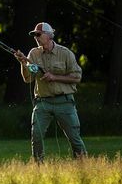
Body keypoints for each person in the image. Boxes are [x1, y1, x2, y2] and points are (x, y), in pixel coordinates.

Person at [13, 22, 87, 162]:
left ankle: (84, 166)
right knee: (36, 135)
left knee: (74, 138)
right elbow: (28, 79)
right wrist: (23, 63)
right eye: (34, 35)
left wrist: (55, 77)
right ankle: (39, 168)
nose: (36, 37)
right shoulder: (33, 54)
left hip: (64, 102)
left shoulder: (65, 53)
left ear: (49, 35)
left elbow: (77, 77)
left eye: (38, 34)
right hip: (43, 102)